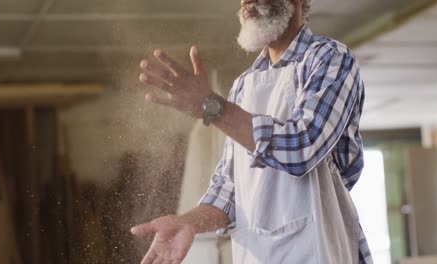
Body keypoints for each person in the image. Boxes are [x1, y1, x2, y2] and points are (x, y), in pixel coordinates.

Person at [131, 0, 372, 263]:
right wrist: (187, 222)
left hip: (317, 251)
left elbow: (303, 146)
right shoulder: (244, 85)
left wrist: (213, 108)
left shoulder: (329, 58)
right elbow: (229, 189)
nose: (246, 1)